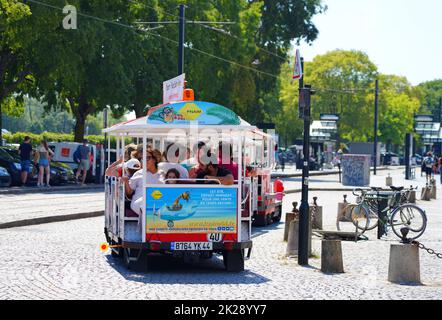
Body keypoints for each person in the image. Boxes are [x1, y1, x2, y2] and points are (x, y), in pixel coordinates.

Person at [121, 147, 164, 215]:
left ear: (155, 159)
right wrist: (126, 181)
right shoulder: (139, 173)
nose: (144, 161)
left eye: (148, 158)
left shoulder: (163, 173)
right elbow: (129, 192)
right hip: (140, 201)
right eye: (142, 158)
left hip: (158, 200)